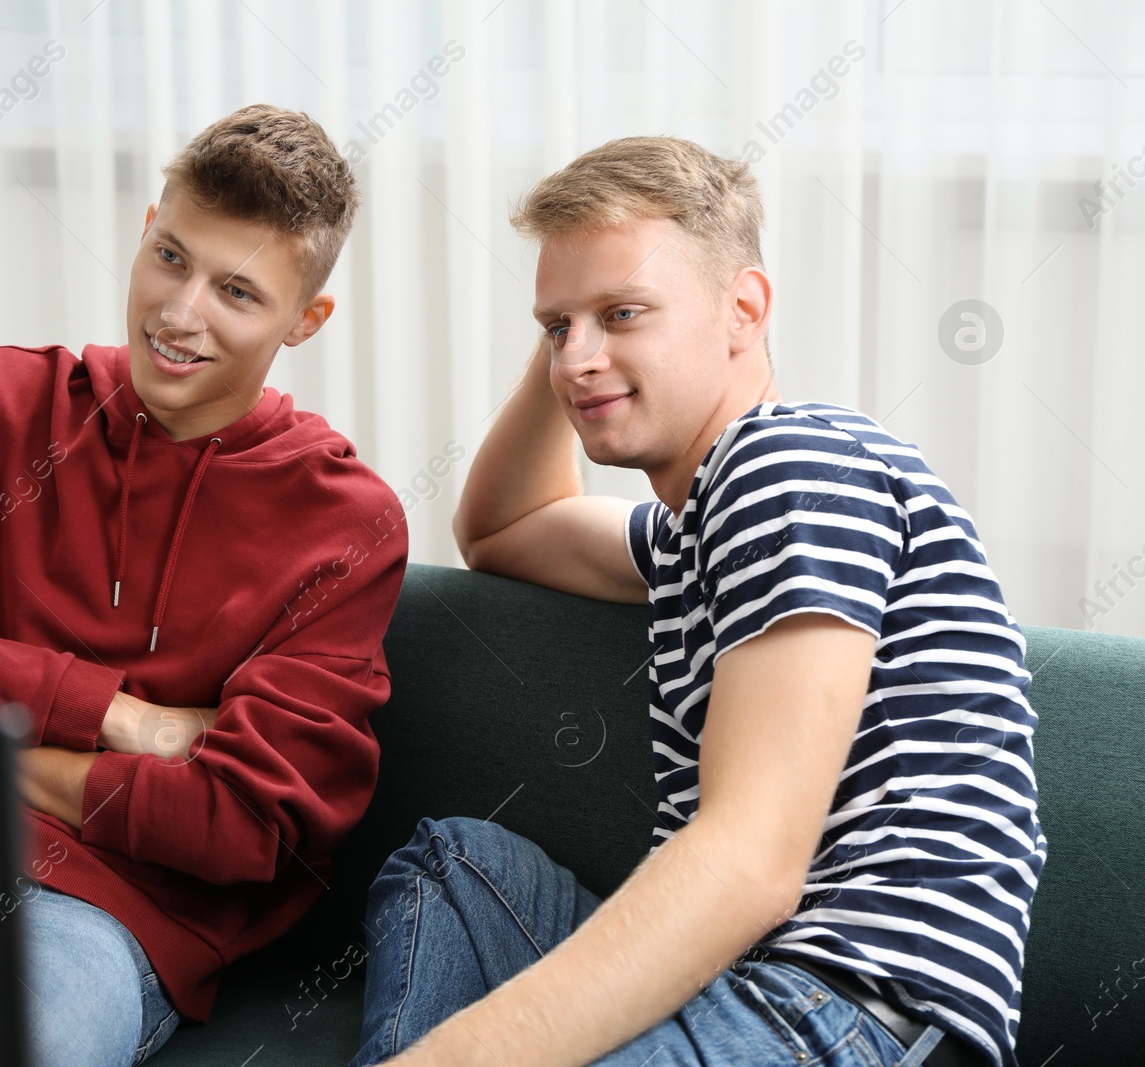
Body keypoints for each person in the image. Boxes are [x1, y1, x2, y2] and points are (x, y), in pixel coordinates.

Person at [349, 136, 1043, 1067]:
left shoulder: (790, 464)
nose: (579, 358)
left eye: (625, 312)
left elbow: (752, 863)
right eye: (559, 327)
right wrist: (586, 330)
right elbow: (502, 529)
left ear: (743, 310)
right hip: (749, 982)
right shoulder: (695, 530)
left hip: (852, 1011)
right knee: (456, 865)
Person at [0, 104, 409, 1067]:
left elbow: (245, 825)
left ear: (306, 320)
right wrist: (131, 719)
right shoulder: (4, 403)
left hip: (98, 910)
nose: (180, 312)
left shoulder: (345, 522)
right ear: (144, 232)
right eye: (171, 258)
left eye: (237, 293)